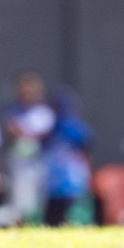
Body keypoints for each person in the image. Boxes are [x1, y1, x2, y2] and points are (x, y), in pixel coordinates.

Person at [2, 71, 55, 224]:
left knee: (40, 199)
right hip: (20, 162)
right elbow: (13, 130)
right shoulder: (13, 110)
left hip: (42, 161)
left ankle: (38, 225)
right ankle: (19, 227)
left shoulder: (45, 111)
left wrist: (27, 132)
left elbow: (44, 133)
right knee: (20, 198)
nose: (29, 93)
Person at [40, 86, 94, 227]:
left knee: (73, 212)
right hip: (57, 179)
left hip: (71, 178)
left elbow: (86, 147)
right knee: (54, 214)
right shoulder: (53, 126)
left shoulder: (74, 127)